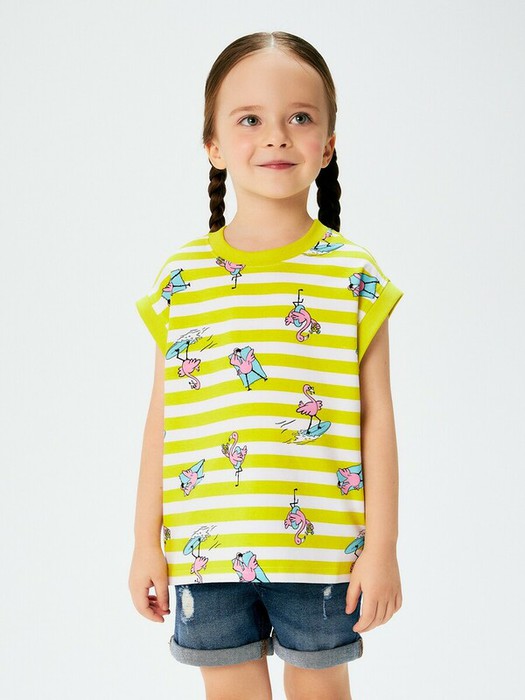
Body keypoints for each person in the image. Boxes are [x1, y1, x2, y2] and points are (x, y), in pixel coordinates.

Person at [129, 30, 404, 700]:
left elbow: (378, 420)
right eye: (249, 119)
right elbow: (163, 420)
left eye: (299, 117)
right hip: (205, 554)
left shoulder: (352, 275)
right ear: (214, 145)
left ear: (327, 145)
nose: (276, 136)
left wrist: (382, 549)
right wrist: (144, 543)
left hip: (323, 554)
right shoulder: (182, 278)